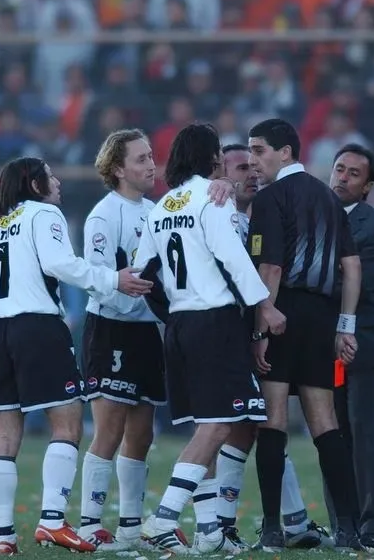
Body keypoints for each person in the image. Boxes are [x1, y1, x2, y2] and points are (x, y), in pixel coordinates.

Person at [0, 156, 154, 554]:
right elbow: (60, 264)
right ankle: (52, 522)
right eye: (51, 176)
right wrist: (114, 278)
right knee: (68, 425)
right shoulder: (44, 215)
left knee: (4, 437)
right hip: (37, 328)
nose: (58, 182)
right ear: (35, 184)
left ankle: (4, 538)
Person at [133, 123, 286, 555]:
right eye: (218, 152)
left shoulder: (161, 207)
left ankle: (209, 533)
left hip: (179, 325)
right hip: (214, 322)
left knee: (208, 430)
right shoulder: (213, 199)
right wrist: (265, 305)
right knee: (220, 425)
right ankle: (162, 520)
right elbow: (234, 258)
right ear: (211, 157)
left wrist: (172, 312)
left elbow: (144, 273)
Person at [246, 118, 364, 551]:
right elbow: (352, 267)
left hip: (283, 313)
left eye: (259, 150)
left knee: (272, 420)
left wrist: (262, 324)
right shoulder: (328, 197)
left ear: (286, 153)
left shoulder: (271, 197)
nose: (253, 161)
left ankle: (273, 528)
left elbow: (271, 268)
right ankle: (349, 528)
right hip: (324, 318)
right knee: (325, 422)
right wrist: (344, 325)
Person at [213, 143, 330, 550]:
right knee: (231, 427)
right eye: (240, 167)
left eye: (252, 164)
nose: (251, 172)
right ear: (219, 176)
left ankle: (289, 521)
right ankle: (216, 526)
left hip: (252, 335)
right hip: (223, 335)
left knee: (261, 425)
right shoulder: (214, 215)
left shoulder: (257, 216)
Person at [77, 129, 166, 549]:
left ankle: (131, 525)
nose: (152, 165)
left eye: (152, 157)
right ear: (117, 169)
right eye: (142, 159)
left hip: (147, 330)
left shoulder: (156, 210)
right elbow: (97, 279)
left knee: (142, 433)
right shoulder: (103, 215)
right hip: (110, 328)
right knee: (108, 430)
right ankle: (89, 522)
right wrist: (120, 285)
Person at [323, 143, 374, 551]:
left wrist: (309, 282)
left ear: (367, 186)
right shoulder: (314, 214)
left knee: (365, 431)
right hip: (325, 344)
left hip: (364, 339)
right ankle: (343, 524)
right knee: (332, 434)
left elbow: (360, 283)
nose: (343, 177)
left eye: (353, 173)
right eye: (339, 169)